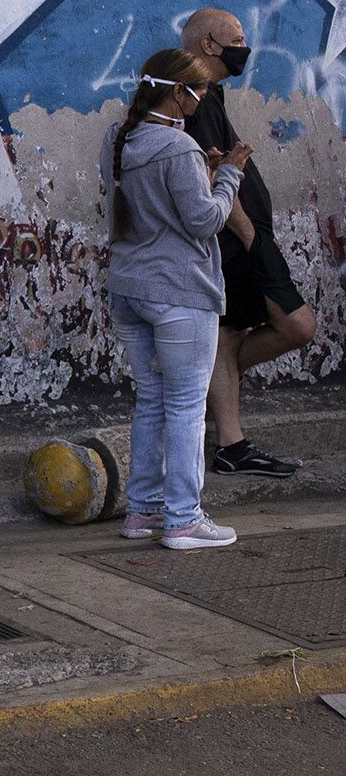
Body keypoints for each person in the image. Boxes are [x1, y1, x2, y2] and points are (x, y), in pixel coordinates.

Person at [105, 48, 250, 550]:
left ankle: (143, 511)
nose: (204, 97)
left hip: (129, 288)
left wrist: (202, 174)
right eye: (201, 89)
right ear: (176, 91)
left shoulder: (119, 139)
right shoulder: (179, 147)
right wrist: (229, 174)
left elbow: (154, 205)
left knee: (151, 399)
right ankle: (184, 519)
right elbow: (204, 221)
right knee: (187, 408)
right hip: (179, 294)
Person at [180, 8, 314, 477]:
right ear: (209, 45)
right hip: (236, 242)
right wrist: (250, 235)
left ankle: (225, 407)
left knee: (275, 331)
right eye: (236, 38)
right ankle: (232, 444)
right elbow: (212, 177)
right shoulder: (194, 98)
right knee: (260, 328)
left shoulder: (210, 94)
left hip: (249, 239)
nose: (245, 45)